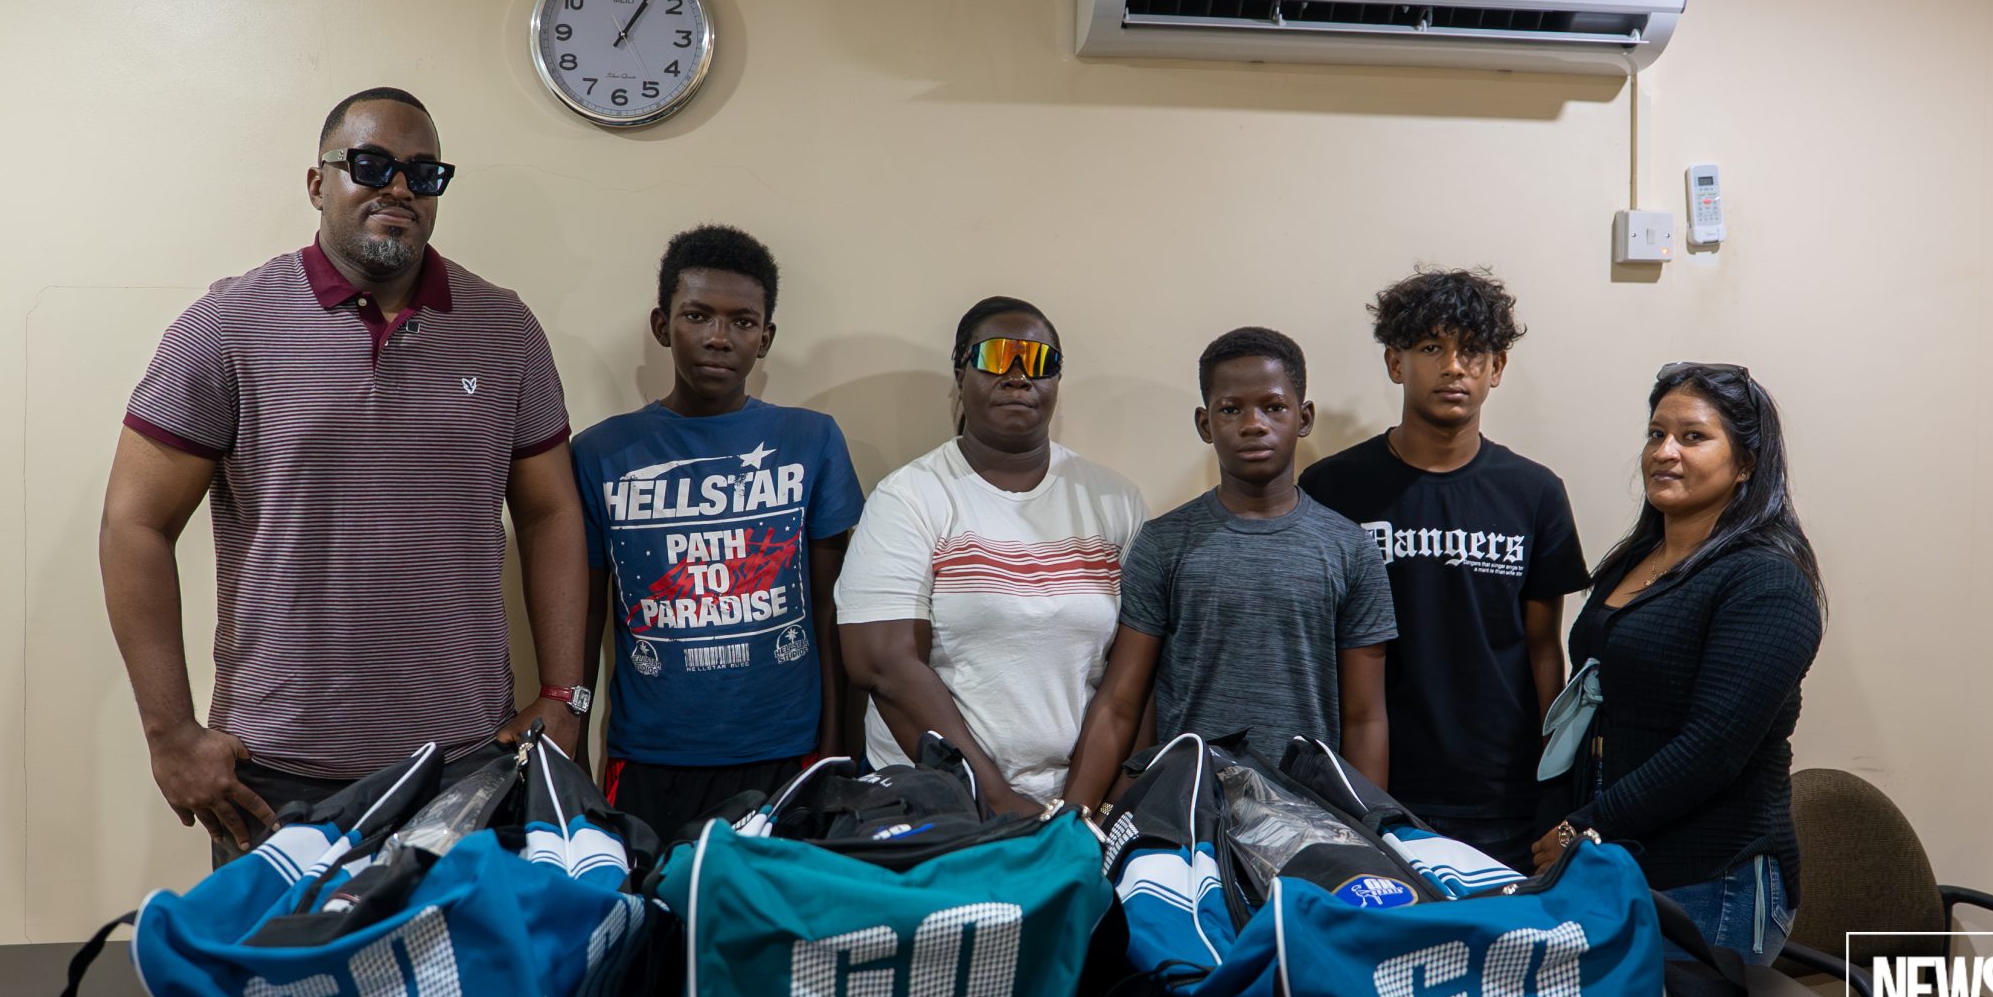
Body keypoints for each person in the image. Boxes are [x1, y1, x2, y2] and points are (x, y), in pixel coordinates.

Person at [100, 87, 591, 862]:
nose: (399, 188)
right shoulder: (230, 325)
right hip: (277, 776)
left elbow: (551, 513)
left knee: (454, 985)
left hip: (463, 766)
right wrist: (170, 734)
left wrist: (567, 695)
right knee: (281, 985)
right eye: (372, 165)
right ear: (317, 182)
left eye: (424, 174)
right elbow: (135, 521)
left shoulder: (505, 330)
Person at [570, 226, 862, 842]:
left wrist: (838, 747)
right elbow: (585, 622)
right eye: (697, 315)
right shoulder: (601, 453)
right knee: (652, 923)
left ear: (767, 338)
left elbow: (833, 612)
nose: (718, 338)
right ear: (661, 324)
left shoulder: (812, 441)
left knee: (774, 928)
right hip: (651, 754)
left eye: (743, 322)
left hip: (787, 749)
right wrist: (573, 748)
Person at [1531, 363, 1824, 965]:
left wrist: (1584, 828)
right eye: (1656, 434)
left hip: (1710, 875)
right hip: (1620, 857)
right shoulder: (1636, 558)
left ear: (1746, 462)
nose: (1665, 452)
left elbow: (1712, 748)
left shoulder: (1767, 579)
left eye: (1693, 437)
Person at [1298, 268, 1590, 870]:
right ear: (1395, 362)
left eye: (1472, 351)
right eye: (1432, 347)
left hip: (1501, 794)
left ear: (1497, 368)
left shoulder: (1534, 493)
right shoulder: (1331, 487)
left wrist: (1553, 787)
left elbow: (1542, 651)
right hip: (1370, 782)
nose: (1453, 366)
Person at [836, 298, 1148, 813]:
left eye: (1040, 362)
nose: (1019, 376)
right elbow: (883, 664)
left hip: (1077, 801)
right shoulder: (910, 498)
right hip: (935, 800)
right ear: (961, 372)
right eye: (998, 357)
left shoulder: (1114, 500)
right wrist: (997, 799)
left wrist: (1083, 808)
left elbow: (1134, 674)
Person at [1065, 328, 1395, 810]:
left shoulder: (1349, 549)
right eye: (1231, 409)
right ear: (1204, 424)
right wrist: (1074, 820)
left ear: (1304, 418)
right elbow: (1119, 703)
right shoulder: (1163, 543)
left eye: (1273, 407)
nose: (1253, 424)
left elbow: (1366, 717)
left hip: (1311, 814)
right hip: (1188, 811)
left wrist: (1372, 827)